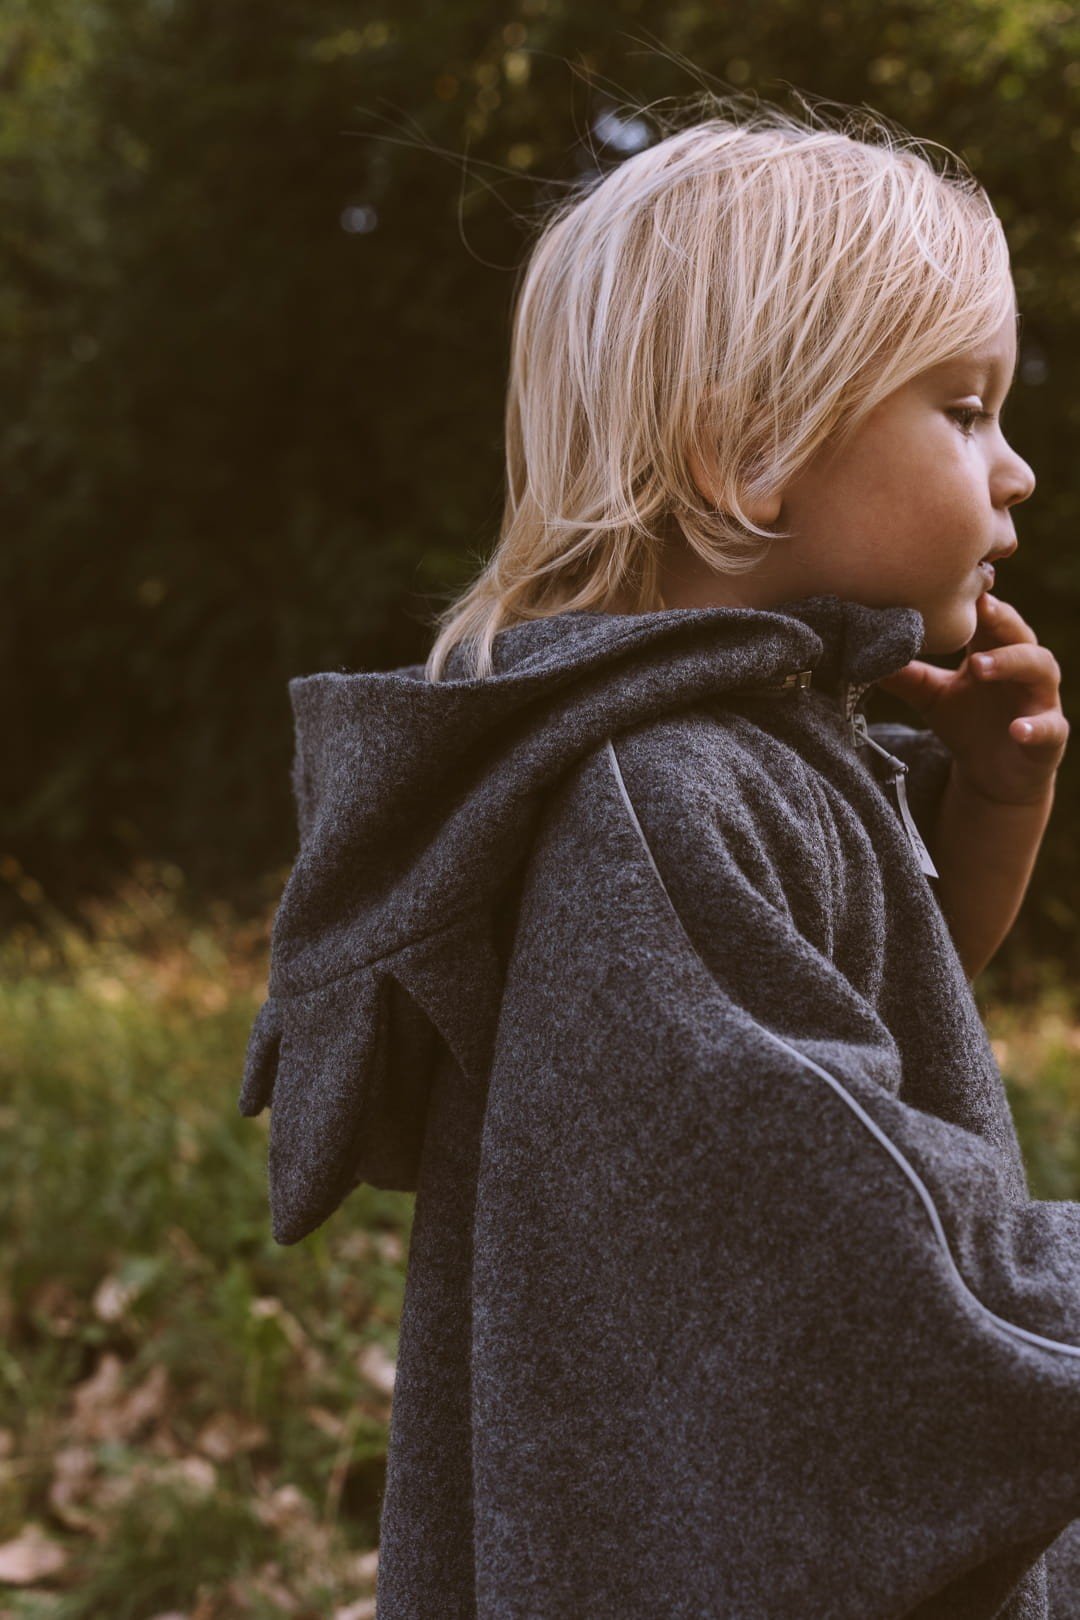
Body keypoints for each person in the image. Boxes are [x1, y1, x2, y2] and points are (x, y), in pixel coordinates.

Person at [239, 95, 1080, 1617]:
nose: (1011, 470)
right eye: (963, 412)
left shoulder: (755, 743)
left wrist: (993, 811)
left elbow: (877, 1011)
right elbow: (854, 1244)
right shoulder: (663, 790)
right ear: (748, 451)